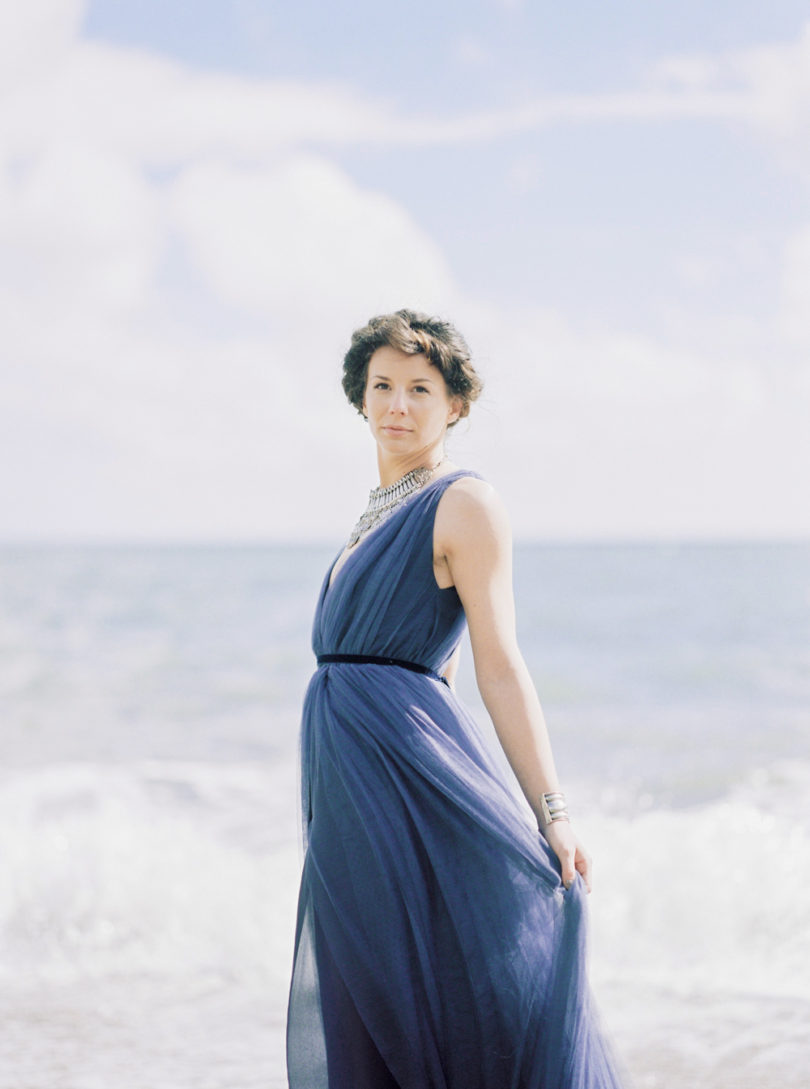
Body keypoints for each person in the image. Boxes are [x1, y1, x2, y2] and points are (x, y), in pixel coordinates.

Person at [286, 309, 626, 1088]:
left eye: (420, 388)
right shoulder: (371, 515)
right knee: (370, 985)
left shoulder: (463, 503)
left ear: (456, 406)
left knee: (436, 984)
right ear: (360, 400)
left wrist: (553, 810)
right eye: (382, 386)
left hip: (410, 778)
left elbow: (499, 664)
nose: (398, 404)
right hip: (349, 782)